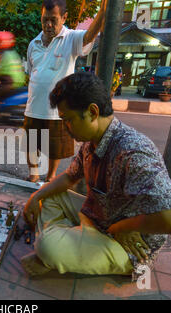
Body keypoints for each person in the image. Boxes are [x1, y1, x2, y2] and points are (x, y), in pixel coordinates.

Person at [21, 72, 171, 278]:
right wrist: (35, 196)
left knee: (48, 248)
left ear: (92, 112)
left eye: (68, 120)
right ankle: (74, 238)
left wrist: (123, 228)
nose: (66, 128)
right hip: (99, 216)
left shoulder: (132, 151)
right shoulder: (91, 142)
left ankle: (63, 242)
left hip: (126, 244)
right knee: (49, 197)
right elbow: (69, 177)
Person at [24, 0, 108, 183]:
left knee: (56, 147)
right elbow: (31, 72)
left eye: (53, 20)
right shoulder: (33, 44)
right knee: (32, 144)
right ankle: (33, 174)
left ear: (64, 18)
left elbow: (89, 37)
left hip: (56, 110)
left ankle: (51, 176)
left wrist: (102, 12)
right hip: (33, 107)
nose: (48, 25)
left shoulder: (71, 38)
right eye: (45, 19)